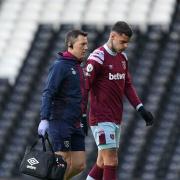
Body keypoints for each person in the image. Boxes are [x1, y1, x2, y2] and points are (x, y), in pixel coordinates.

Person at [84, 21, 154, 180]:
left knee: (102, 162)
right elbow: (84, 87)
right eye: (123, 42)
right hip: (101, 118)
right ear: (112, 36)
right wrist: (81, 115)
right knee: (111, 160)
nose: (126, 46)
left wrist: (141, 109)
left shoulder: (123, 57)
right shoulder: (97, 58)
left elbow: (127, 85)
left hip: (115, 117)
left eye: (127, 42)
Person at [38, 29, 88, 180]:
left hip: (75, 123)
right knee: (62, 163)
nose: (86, 47)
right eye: (82, 44)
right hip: (61, 121)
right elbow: (48, 92)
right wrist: (44, 118)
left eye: (87, 44)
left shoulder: (77, 66)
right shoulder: (60, 66)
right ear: (70, 45)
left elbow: (80, 96)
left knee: (79, 164)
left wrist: (83, 116)